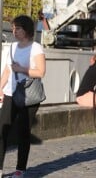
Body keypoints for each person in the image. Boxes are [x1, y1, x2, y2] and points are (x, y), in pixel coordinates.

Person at [0, 15, 46, 178]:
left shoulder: (36, 48)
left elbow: (40, 72)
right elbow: (7, 69)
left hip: (28, 95)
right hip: (10, 93)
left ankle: (20, 169)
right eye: (13, 28)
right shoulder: (11, 47)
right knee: (2, 130)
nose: (14, 31)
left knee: (23, 132)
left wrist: (21, 69)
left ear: (26, 30)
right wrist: (0, 87)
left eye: (17, 28)